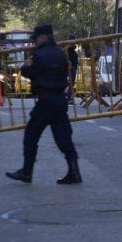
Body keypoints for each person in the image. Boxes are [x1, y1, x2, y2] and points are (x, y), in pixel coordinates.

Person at [6, 24, 81, 185]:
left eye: (36, 38)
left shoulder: (39, 55)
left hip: (45, 101)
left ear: (44, 37)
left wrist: (25, 65)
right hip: (59, 100)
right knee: (64, 138)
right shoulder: (61, 53)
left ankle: (27, 172)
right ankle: (74, 172)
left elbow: (29, 72)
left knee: (31, 135)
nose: (34, 42)